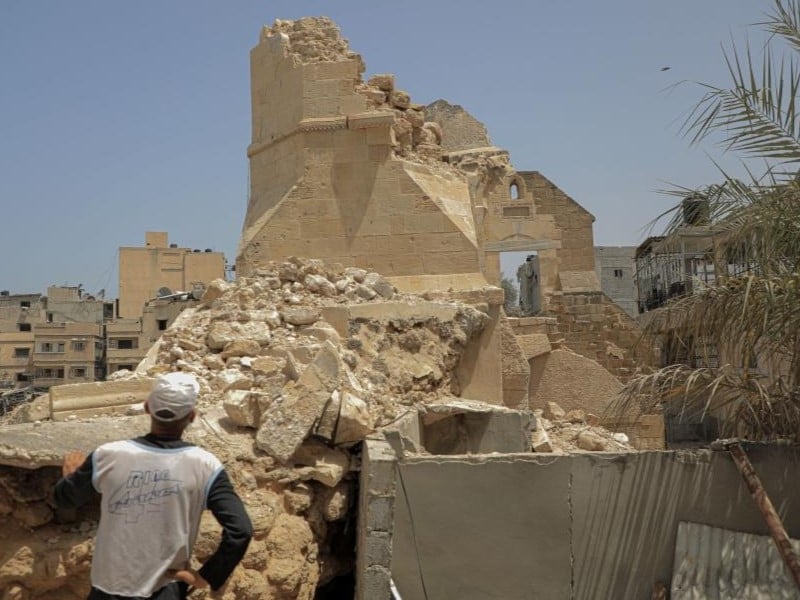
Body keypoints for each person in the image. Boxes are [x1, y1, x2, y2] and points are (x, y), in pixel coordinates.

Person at [54, 372, 253, 600]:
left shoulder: (107, 455)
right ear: (192, 416)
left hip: (108, 589)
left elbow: (65, 499)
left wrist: (70, 477)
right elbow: (241, 530)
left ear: (148, 408)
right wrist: (206, 576)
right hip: (164, 589)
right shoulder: (205, 465)